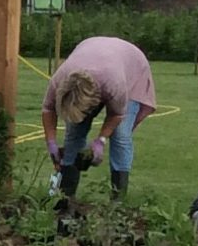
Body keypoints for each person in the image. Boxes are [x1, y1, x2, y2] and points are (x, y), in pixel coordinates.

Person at [41, 35, 159, 200]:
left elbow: (117, 114)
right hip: (92, 51)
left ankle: (118, 201)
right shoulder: (60, 80)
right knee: (74, 131)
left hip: (131, 64)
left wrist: (100, 141)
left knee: (121, 135)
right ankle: (66, 197)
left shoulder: (114, 83)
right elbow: (48, 109)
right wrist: (51, 143)